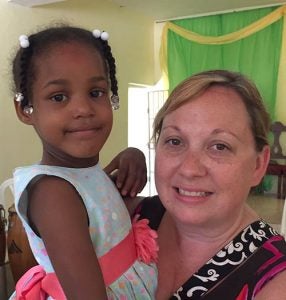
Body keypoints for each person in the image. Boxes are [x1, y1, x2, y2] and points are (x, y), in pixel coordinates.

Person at [10, 25, 157, 299]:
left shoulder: (76, 176)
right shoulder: (52, 194)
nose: (83, 109)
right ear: (26, 109)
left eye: (95, 92)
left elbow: (94, 204)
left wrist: (131, 155)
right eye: (58, 97)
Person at [136, 70, 286, 299]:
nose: (189, 168)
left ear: (258, 164)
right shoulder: (130, 218)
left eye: (219, 146)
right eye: (174, 141)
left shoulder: (275, 280)